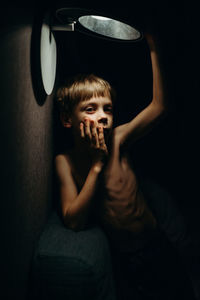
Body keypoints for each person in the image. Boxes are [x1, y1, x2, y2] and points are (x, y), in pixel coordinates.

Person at [54, 34, 197, 299]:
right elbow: (73, 220)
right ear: (67, 119)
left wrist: (154, 45)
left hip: (157, 242)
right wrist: (97, 164)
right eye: (90, 109)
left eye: (107, 109)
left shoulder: (118, 139)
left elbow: (160, 107)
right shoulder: (66, 161)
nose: (102, 117)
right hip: (127, 258)